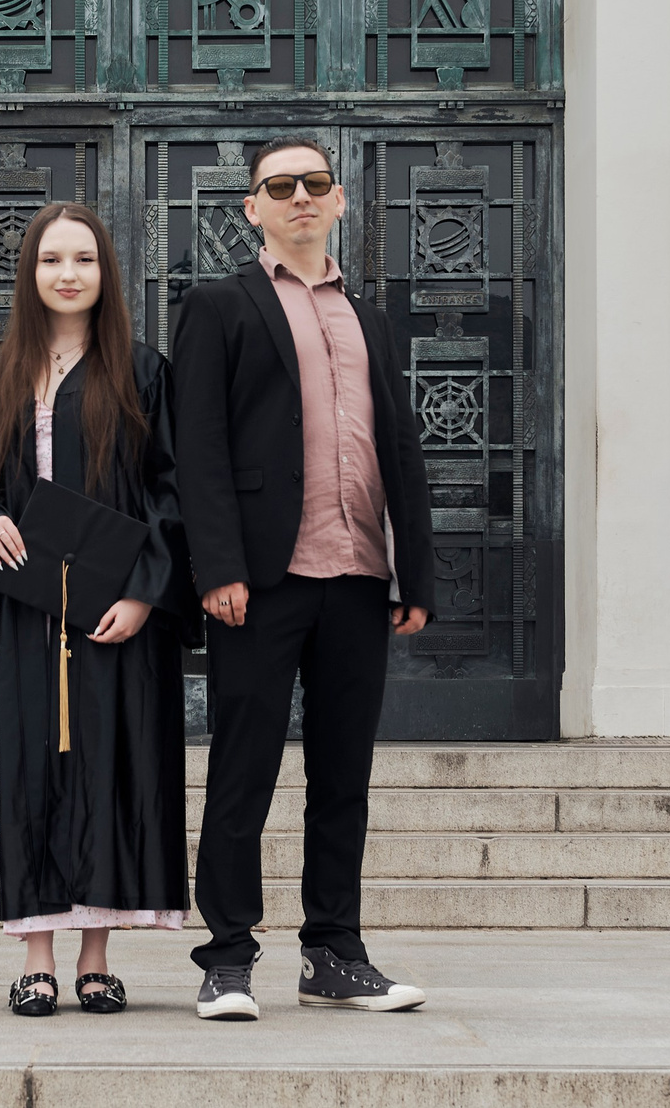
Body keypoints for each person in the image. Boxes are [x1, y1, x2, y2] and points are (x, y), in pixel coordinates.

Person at [170, 137, 437, 1019]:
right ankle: (229, 956)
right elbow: (198, 444)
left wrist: (415, 570)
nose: (299, 198)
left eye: (314, 184)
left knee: (343, 776)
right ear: (251, 207)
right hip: (263, 577)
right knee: (242, 770)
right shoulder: (219, 304)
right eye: (279, 186)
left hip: (360, 573)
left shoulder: (371, 316)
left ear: (339, 200)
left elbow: (398, 445)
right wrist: (216, 566)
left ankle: (333, 951)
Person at [0, 204, 196, 1017]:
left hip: (118, 613)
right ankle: (37, 958)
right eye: (52, 258)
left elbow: (171, 494)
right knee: (34, 772)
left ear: (104, 272)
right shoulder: (2, 378)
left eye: (84, 258)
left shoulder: (143, 371)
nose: (67, 272)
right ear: (30, 272)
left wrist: (142, 590)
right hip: (32, 614)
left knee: (115, 769)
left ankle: (96, 956)